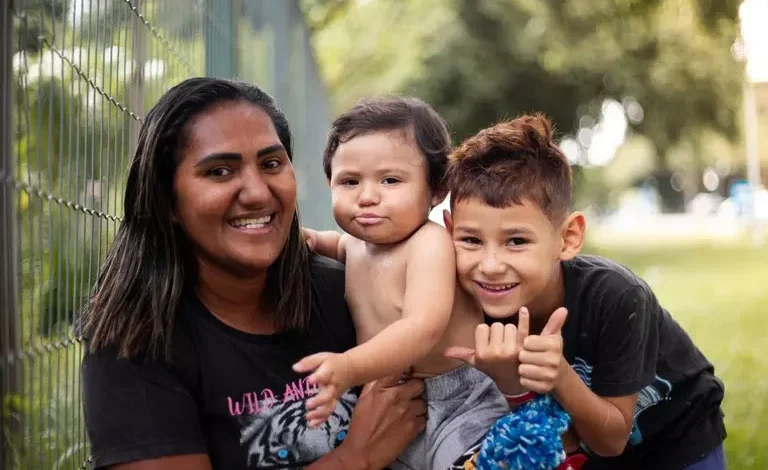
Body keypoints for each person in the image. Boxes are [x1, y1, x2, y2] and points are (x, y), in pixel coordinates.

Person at [80, 77, 428, 470]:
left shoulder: (342, 289)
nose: (258, 192)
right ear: (168, 201)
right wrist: (354, 458)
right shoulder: (135, 344)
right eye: (220, 172)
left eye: (271, 164)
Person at [440, 113, 727, 470]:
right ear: (448, 231)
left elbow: (611, 440)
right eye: (470, 240)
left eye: (516, 241)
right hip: (584, 449)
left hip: (677, 439)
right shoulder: (470, 301)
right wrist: (511, 380)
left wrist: (558, 374)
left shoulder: (617, 296)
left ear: (568, 237)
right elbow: (547, 434)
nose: (491, 264)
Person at [298, 96, 516, 470]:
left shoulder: (428, 245)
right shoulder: (354, 244)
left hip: (457, 402)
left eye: (390, 180)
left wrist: (349, 367)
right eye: (349, 181)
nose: (367, 196)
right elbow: (333, 243)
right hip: (388, 400)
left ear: (436, 188)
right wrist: (309, 240)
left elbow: (422, 327)